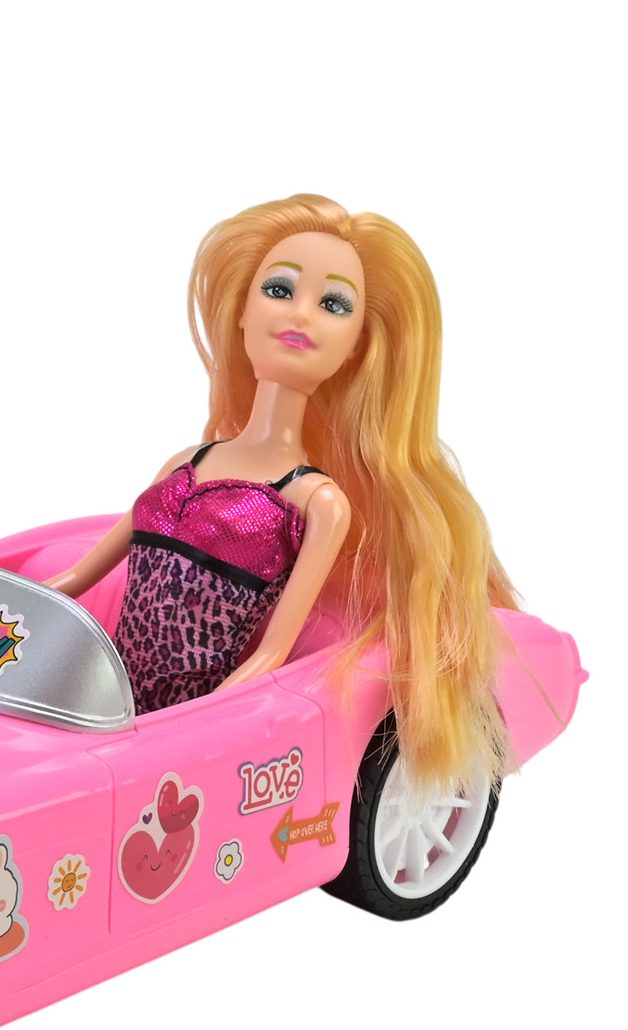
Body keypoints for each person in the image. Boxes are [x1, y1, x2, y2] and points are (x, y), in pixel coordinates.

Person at [46, 194, 516, 796]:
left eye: (333, 304)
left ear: (356, 345)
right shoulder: (185, 462)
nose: (301, 314)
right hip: (96, 695)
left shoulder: (317, 502)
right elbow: (79, 577)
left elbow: (271, 653)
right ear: (242, 311)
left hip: (178, 725)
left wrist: (188, 739)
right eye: (279, 290)